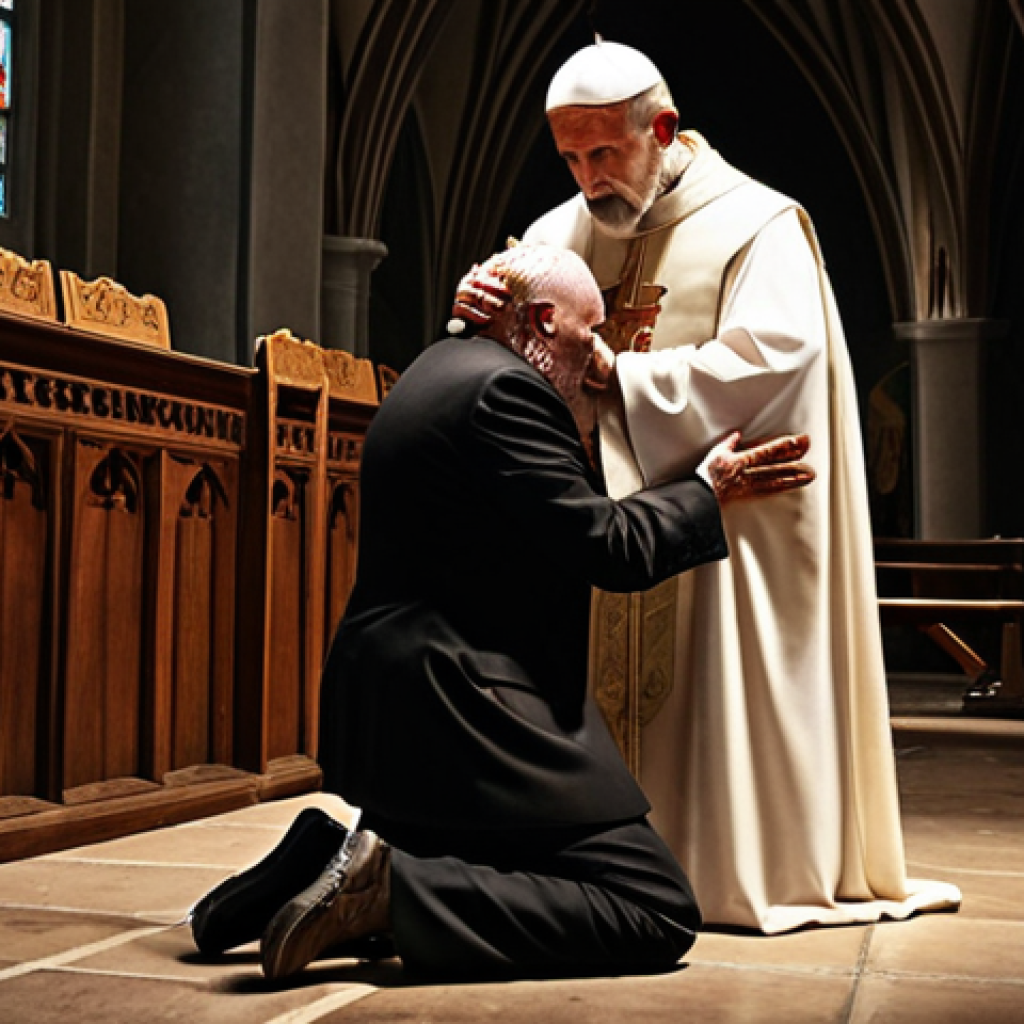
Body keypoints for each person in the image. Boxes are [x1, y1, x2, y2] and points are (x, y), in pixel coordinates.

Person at [189, 243, 814, 978]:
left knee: (481, 852)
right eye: (590, 332)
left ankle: (321, 859)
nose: (597, 352)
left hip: (397, 706)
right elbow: (605, 546)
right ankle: (392, 892)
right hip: (463, 706)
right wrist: (704, 490)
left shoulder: (435, 369)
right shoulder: (508, 394)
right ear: (544, 323)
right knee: (654, 906)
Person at [489, 40, 961, 933]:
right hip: (608, 530)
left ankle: (727, 865)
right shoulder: (559, 234)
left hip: (729, 538)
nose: (590, 180)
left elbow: (775, 359)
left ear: (661, 129)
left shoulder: (759, 225)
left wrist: (617, 374)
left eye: (606, 153)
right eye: (571, 157)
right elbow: (507, 352)